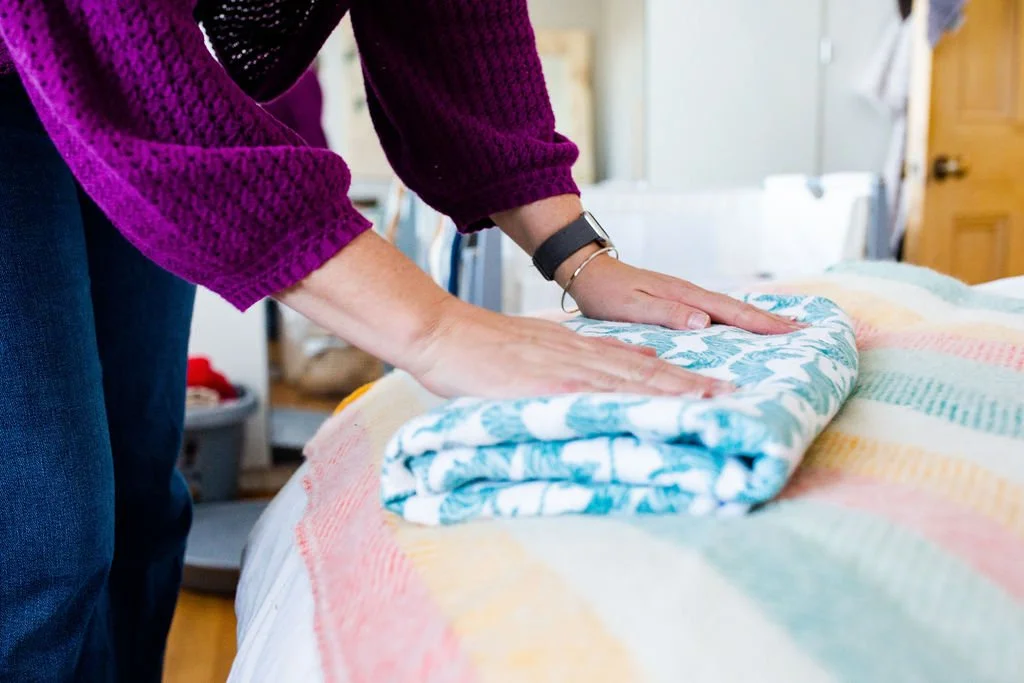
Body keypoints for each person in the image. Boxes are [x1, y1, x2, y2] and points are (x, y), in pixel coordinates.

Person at [0, 1, 800, 680]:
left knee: (141, 491)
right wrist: (438, 329)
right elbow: (109, 43)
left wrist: (577, 256)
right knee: (48, 542)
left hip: (129, 68)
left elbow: (451, 16)